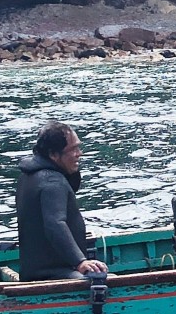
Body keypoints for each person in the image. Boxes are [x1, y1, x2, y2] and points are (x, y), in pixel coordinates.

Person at [16, 120, 108, 280]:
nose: (79, 153)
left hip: (32, 272)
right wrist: (80, 262)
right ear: (53, 154)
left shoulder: (28, 176)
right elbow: (55, 224)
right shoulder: (52, 182)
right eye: (73, 149)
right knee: (105, 280)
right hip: (51, 274)